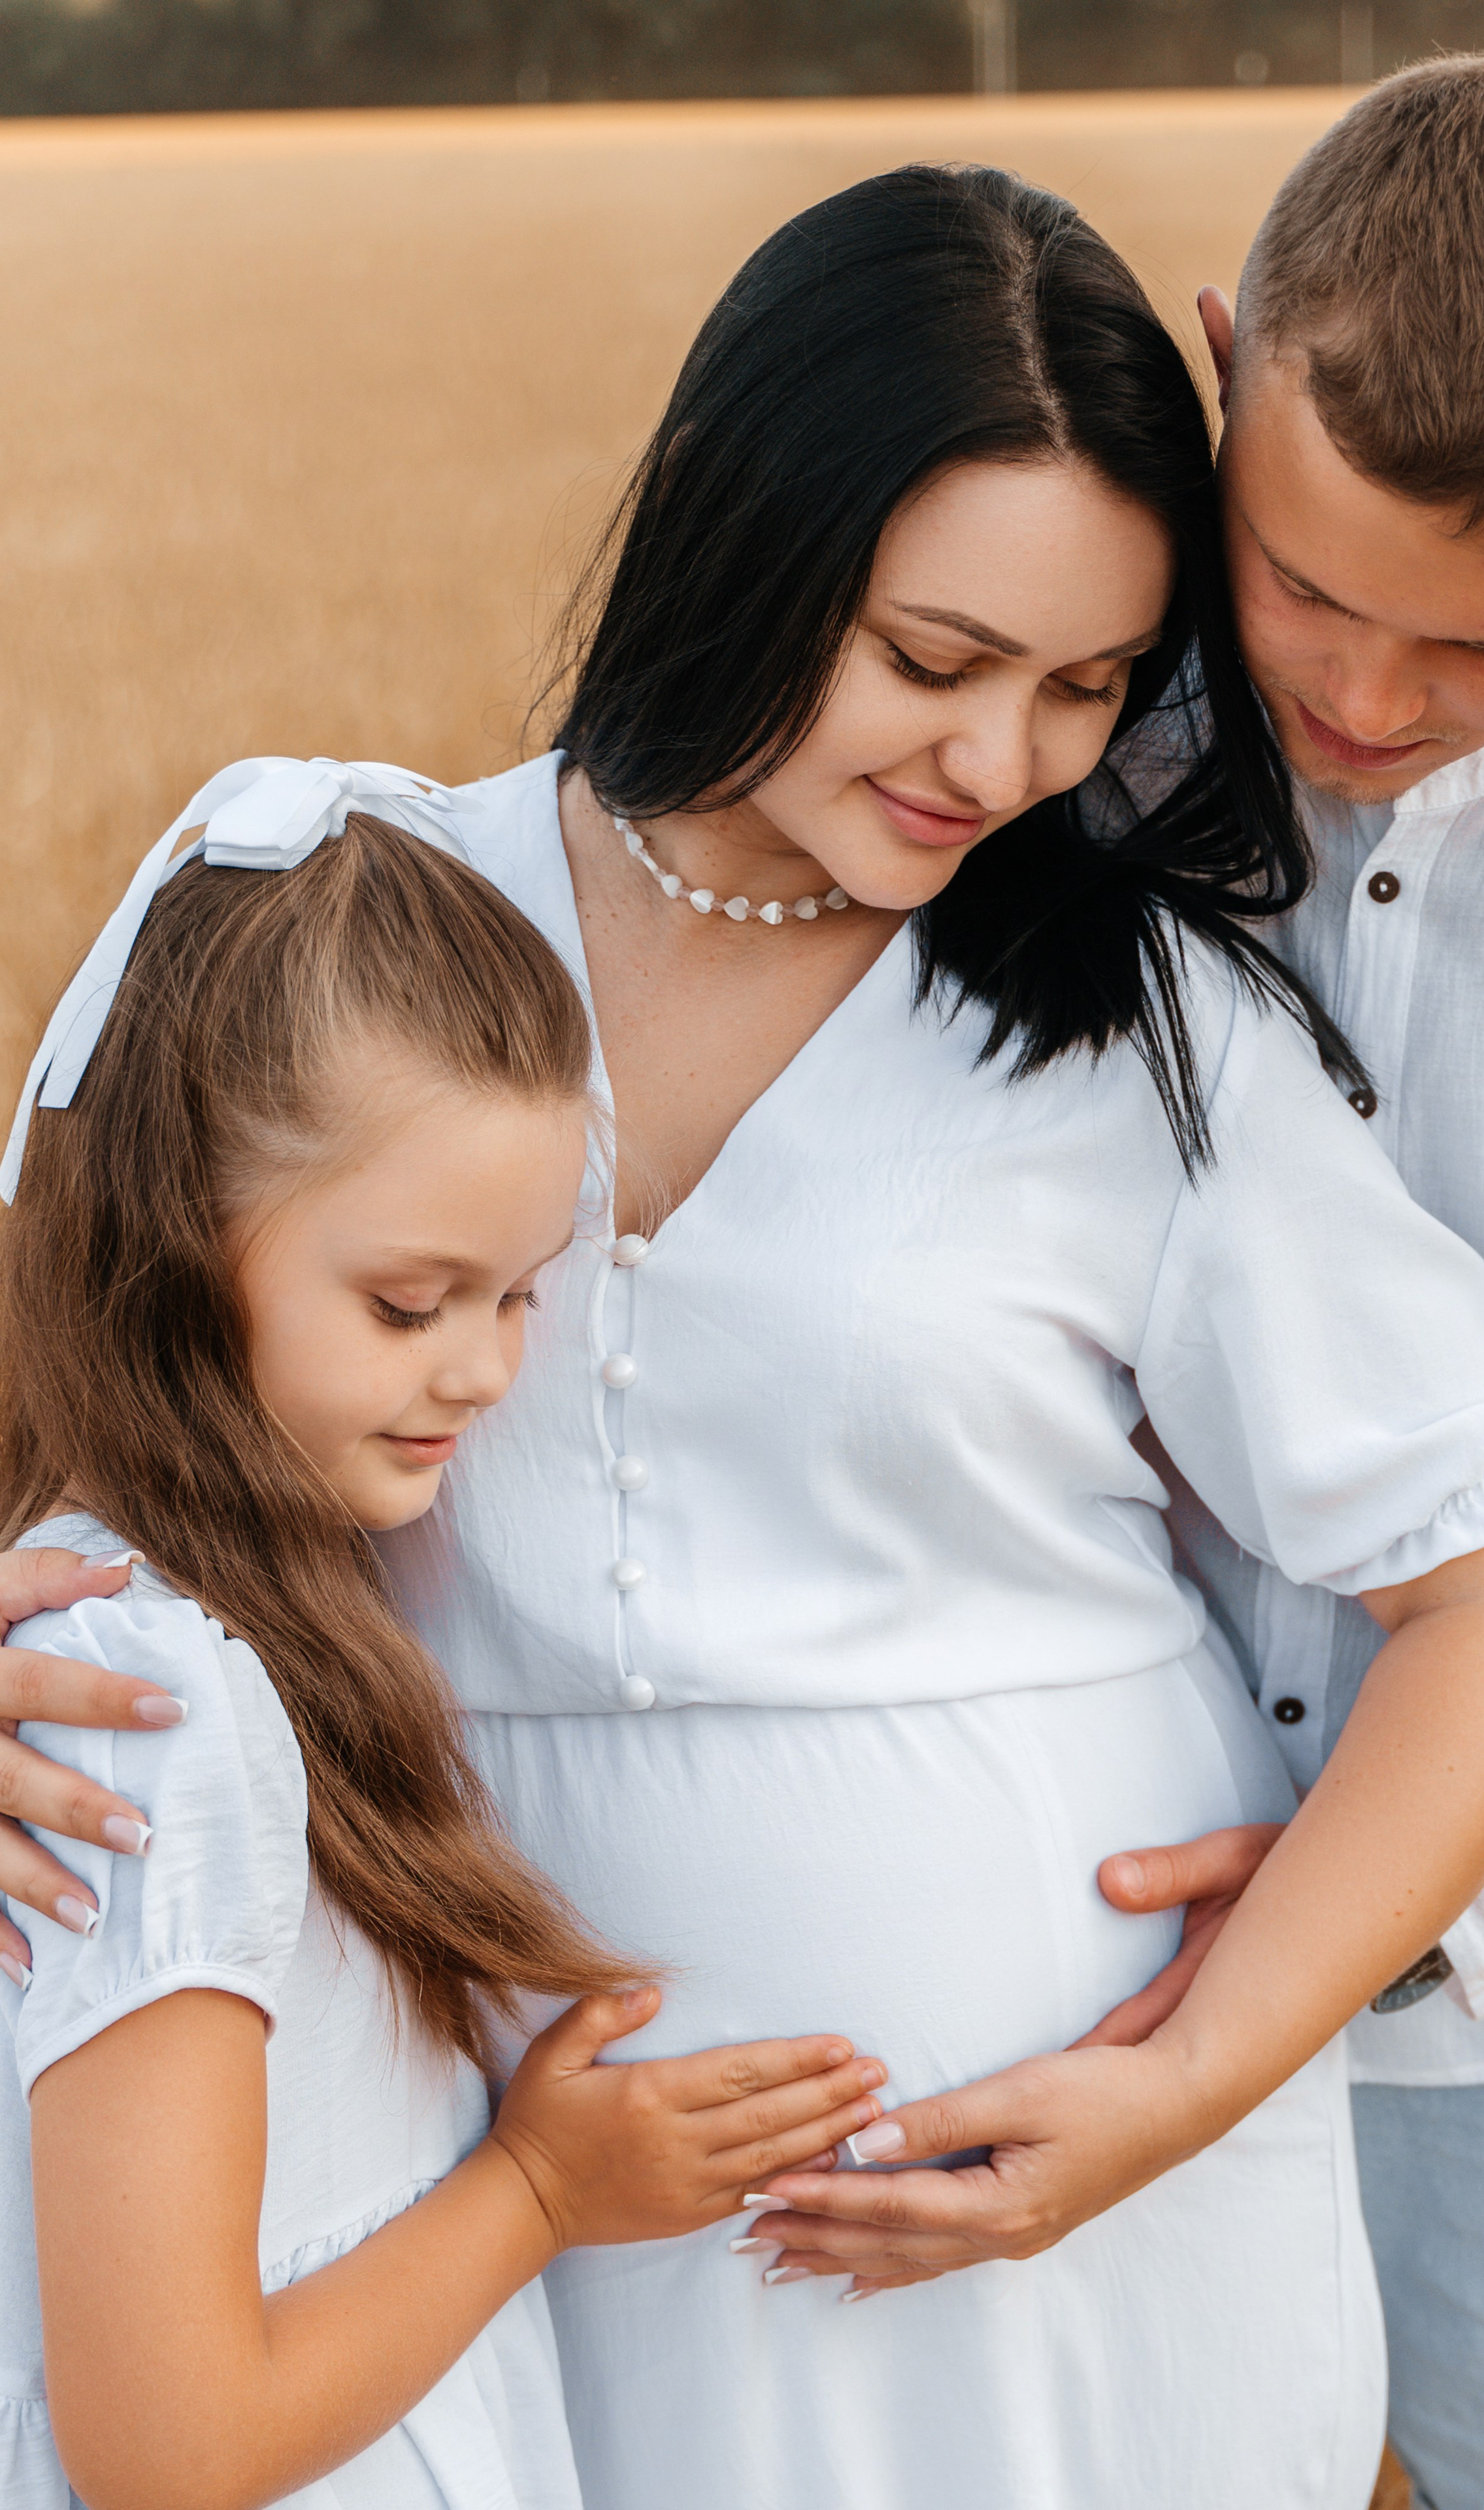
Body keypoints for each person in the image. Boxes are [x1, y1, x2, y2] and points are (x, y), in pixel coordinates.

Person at [0, 168, 1484, 2509]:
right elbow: (77, 1398)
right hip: (505, 2209)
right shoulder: (321, 922)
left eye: (1089, 688)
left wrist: (1184, 2089)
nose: (1003, 767)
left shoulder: (1147, 1038)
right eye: (934, 660)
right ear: (745, 546)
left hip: (1055, 2251)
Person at [1019, 56, 1484, 2510]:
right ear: (1219, 370)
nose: (1373, 707)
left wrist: (1392, 1895)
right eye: (1307, 590)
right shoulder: (1042, 698)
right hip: (1049, 1935)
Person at [0, 763, 885, 2507]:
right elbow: (167, 2447)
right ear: (184, 1237)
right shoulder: (147, 1694)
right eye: (411, 1303)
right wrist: (540, 2193)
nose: (482, 1369)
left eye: (519, 1295)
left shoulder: (257, 1607)